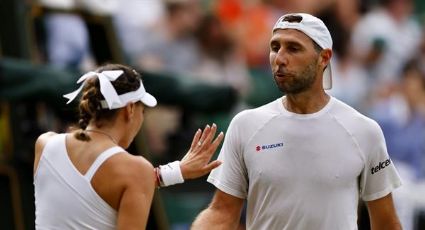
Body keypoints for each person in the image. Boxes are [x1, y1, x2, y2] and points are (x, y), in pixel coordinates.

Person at [192, 13, 403, 229]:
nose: (280, 58)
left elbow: (386, 223)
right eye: (275, 48)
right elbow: (222, 212)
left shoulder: (365, 131)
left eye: (293, 48)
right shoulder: (244, 126)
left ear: (324, 58)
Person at [33, 63, 224, 229]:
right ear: (130, 109)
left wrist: (176, 171)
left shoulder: (44, 143)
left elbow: (88, 192)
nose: (142, 117)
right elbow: (113, 182)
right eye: (143, 111)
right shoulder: (134, 170)